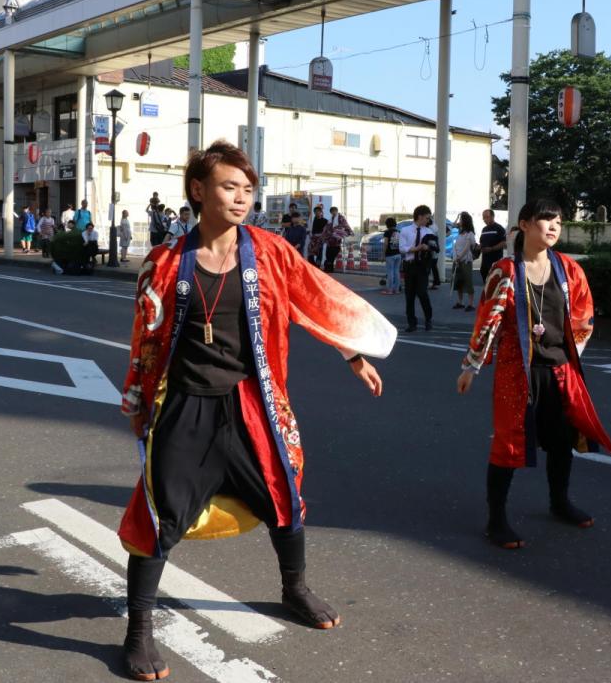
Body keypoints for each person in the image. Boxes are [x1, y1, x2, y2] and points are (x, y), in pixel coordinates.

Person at [116, 140, 395, 682]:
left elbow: (314, 298)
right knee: (159, 514)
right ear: (199, 191)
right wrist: (137, 398)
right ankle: (139, 632)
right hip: (186, 406)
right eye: (230, 187)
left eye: (248, 188)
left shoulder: (269, 252)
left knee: (283, 494)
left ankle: (295, 588)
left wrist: (354, 355)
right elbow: (144, 339)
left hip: (253, 401)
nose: (242, 197)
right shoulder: (166, 262)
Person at [456, 198, 611, 549]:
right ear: (524, 225)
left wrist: (572, 353)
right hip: (518, 372)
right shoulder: (505, 271)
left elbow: (584, 316)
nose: (554, 226)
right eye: (546, 219)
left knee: (561, 442)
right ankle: (496, 520)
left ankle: (559, 502)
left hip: (560, 370)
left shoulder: (569, 269)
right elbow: (488, 319)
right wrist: (472, 365)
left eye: (559, 221)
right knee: (509, 444)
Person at [399, 205, 437, 332]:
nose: (428, 220)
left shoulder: (429, 232)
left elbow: (435, 247)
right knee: (409, 295)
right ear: (419, 217)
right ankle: (412, 323)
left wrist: (428, 248)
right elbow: (402, 248)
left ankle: (428, 319)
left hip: (422, 266)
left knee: (422, 293)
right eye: (427, 218)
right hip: (409, 265)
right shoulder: (405, 230)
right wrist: (416, 248)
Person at [451, 211, 477, 311]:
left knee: (468, 281)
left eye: (461, 219)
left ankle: (471, 304)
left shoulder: (470, 234)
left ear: (465, 221)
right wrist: (458, 216)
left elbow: (467, 248)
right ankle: (460, 302)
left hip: (465, 260)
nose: (459, 221)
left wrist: (459, 257)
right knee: (458, 281)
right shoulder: (460, 232)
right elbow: (452, 225)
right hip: (457, 260)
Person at [478, 209, 508, 284]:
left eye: (486, 217)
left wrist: (491, 249)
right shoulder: (484, 229)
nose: (484, 219)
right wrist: (479, 247)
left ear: (492, 217)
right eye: (483, 217)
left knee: (494, 284)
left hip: (495, 262)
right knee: (486, 283)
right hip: (485, 263)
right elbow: (482, 242)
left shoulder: (499, 228)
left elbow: (504, 243)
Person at [321, 207, 352, 273]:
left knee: (332, 255)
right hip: (330, 240)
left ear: (337, 211)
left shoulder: (341, 218)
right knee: (328, 255)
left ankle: (329, 268)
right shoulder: (330, 219)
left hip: (336, 240)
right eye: (332, 212)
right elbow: (326, 227)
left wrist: (335, 229)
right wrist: (326, 233)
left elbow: (344, 225)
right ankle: (329, 268)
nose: (333, 212)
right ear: (331, 213)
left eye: (334, 211)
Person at [381, 217, 402, 295]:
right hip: (398, 254)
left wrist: (383, 254)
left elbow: (386, 244)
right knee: (397, 272)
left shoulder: (387, 232)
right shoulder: (398, 232)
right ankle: (396, 290)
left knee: (390, 272)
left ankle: (389, 290)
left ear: (387, 225)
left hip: (390, 255)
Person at [426, 215, 441, 289]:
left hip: (431, 249)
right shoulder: (434, 226)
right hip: (435, 248)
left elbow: (430, 239)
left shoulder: (429, 228)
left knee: (428, 267)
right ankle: (436, 283)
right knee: (434, 267)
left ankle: (427, 283)